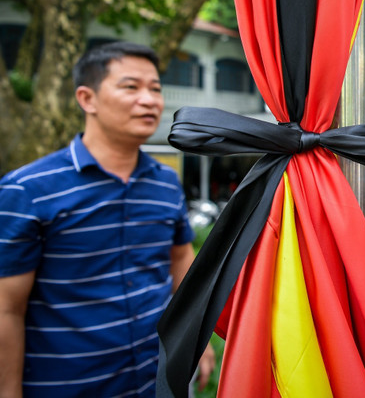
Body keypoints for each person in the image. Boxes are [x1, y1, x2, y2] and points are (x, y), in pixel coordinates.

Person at [0, 42, 215, 397]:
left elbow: (180, 260)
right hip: (64, 385)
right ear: (87, 98)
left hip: (155, 381)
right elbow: (6, 308)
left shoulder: (165, 182)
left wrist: (199, 340)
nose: (149, 100)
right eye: (131, 87)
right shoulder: (27, 190)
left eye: (155, 89)